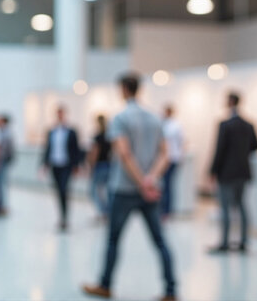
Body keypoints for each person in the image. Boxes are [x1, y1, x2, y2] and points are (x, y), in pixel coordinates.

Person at [82, 73, 177, 301]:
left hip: (124, 189)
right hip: (149, 190)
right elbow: (166, 155)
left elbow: (124, 154)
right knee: (160, 241)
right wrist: (150, 179)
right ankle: (171, 289)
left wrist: (141, 182)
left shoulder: (120, 118)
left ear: (124, 89)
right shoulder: (155, 119)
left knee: (114, 238)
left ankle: (105, 285)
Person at [208, 92, 257, 254]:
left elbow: (219, 150)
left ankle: (224, 242)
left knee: (225, 207)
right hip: (243, 171)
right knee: (242, 206)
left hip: (227, 173)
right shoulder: (249, 125)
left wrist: (213, 170)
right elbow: (256, 146)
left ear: (230, 102)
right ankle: (244, 241)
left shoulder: (225, 124)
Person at [42, 106, 82, 231]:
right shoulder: (51, 131)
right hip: (55, 165)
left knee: (64, 190)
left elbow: (76, 149)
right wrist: (45, 163)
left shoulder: (71, 131)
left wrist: (76, 165)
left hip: (66, 165)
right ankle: (61, 216)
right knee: (59, 191)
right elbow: (48, 148)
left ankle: (65, 218)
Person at [85, 114, 113, 220]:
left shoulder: (98, 137)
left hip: (100, 166)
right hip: (109, 165)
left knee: (93, 190)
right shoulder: (110, 136)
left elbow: (95, 152)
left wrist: (91, 166)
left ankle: (103, 211)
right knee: (107, 190)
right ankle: (107, 210)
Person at [0, 114, 15, 209]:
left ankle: (2, 204)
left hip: (2, 160)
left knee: (2, 183)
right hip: (0, 160)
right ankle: (0, 203)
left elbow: (8, 149)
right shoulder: (1, 132)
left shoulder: (6, 133)